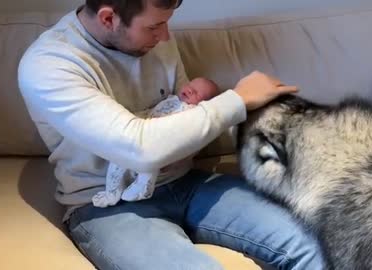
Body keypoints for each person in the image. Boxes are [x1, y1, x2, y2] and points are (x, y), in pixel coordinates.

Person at [17, 1, 326, 269]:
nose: (165, 36)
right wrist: (238, 100)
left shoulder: (155, 40)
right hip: (106, 207)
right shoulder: (49, 64)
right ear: (109, 18)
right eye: (155, 26)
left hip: (187, 183)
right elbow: (141, 148)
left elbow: (185, 113)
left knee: (316, 242)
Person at [92, 77, 220, 207]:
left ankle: (143, 186)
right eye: (189, 85)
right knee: (117, 161)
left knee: (150, 163)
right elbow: (152, 111)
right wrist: (134, 118)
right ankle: (112, 191)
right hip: (140, 134)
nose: (190, 90)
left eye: (196, 93)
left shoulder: (192, 111)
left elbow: (192, 133)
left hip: (162, 143)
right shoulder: (171, 99)